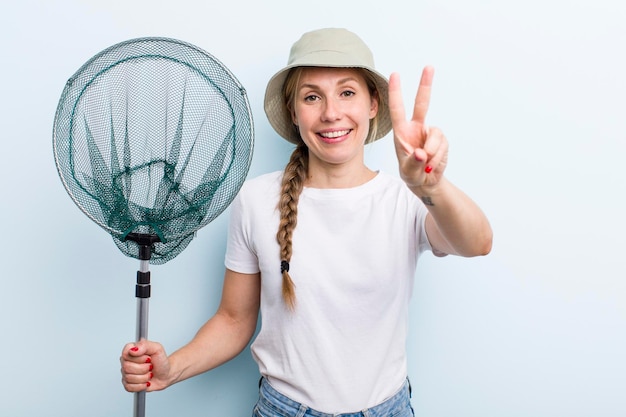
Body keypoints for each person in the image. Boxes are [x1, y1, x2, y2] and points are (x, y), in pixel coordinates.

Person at [120, 27, 492, 417]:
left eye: (347, 92)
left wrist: (432, 185)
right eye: (312, 96)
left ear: (373, 104)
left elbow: (477, 242)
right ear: (294, 111)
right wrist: (171, 368)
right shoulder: (256, 200)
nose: (331, 112)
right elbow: (233, 319)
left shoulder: (405, 200)